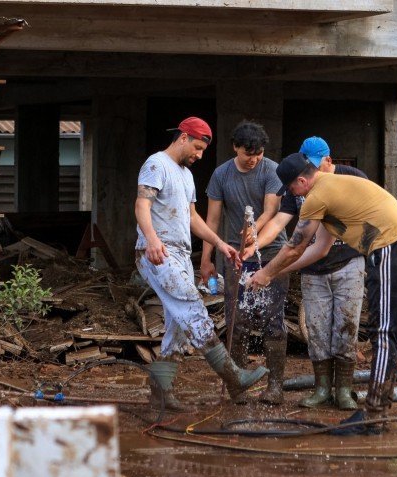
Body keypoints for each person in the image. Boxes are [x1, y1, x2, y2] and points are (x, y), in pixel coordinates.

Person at [246, 152, 397, 434]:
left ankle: (373, 414)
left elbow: (295, 246)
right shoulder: (333, 188)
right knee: (393, 330)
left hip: (391, 246)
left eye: (292, 189)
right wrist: (276, 272)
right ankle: (380, 410)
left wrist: (265, 272)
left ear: (302, 181)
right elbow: (320, 249)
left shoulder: (318, 195)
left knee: (383, 331)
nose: (293, 195)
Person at [134, 116, 268, 412]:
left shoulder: (185, 175)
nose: (199, 155)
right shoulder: (156, 164)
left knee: (178, 326)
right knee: (193, 309)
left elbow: (192, 217)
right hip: (159, 252)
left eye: (203, 151)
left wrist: (220, 244)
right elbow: (141, 205)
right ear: (182, 138)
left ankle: (159, 392)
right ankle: (234, 377)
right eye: (196, 147)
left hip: (179, 253)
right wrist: (152, 239)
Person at [243, 137, 366, 411]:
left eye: (313, 167)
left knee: (347, 327)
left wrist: (270, 271)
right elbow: (279, 220)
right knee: (318, 329)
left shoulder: (352, 178)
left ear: (326, 161)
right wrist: (256, 244)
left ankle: (344, 391)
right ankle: (322, 389)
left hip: (348, 262)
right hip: (312, 268)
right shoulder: (298, 189)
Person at [199, 120, 289, 404]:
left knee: (273, 320)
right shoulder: (221, 175)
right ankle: (238, 382)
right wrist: (206, 259)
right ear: (235, 147)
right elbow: (211, 221)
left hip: (272, 253)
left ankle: (275, 386)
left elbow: (271, 210)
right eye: (248, 153)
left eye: (258, 154)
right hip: (234, 255)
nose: (254, 159)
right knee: (236, 320)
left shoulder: (271, 170)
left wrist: (253, 232)